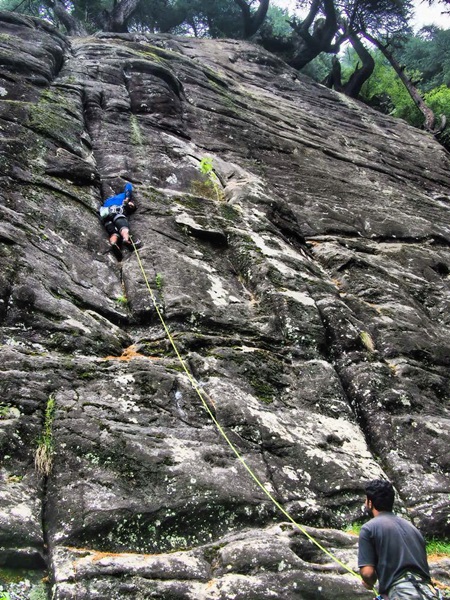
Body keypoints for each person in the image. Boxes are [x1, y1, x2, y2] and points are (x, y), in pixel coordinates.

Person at [358, 479, 441, 600]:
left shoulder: (369, 528)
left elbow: (367, 573)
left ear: (370, 503)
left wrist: (369, 582)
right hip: (428, 594)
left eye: (366, 500)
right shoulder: (413, 529)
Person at [99, 182, 141, 261]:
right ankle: (125, 239)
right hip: (117, 213)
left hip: (106, 216)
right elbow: (128, 185)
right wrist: (128, 198)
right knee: (123, 227)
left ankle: (114, 243)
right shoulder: (123, 198)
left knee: (114, 233)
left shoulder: (107, 201)